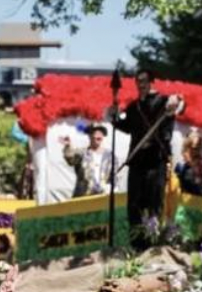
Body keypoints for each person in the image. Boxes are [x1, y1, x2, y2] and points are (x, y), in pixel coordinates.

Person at [109, 69, 181, 248]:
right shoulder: (134, 107)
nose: (140, 85)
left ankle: (153, 245)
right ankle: (137, 245)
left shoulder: (164, 102)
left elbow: (179, 104)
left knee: (154, 203)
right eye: (138, 82)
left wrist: (176, 100)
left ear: (151, 82)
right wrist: (113, 116)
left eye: (143, 81)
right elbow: (125, 126)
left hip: (156, 162)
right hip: (137, 163)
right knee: (134, 206)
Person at [61, 124, 116, 197]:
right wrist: (67, 146)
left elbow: (115, 176)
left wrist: (111, 188)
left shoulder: (109, 156)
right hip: (84, 197)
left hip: (104, 197)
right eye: (96, 133)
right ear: (90, 136)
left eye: (101, 133)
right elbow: (70, 159)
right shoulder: (82, 153)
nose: (98, 136)